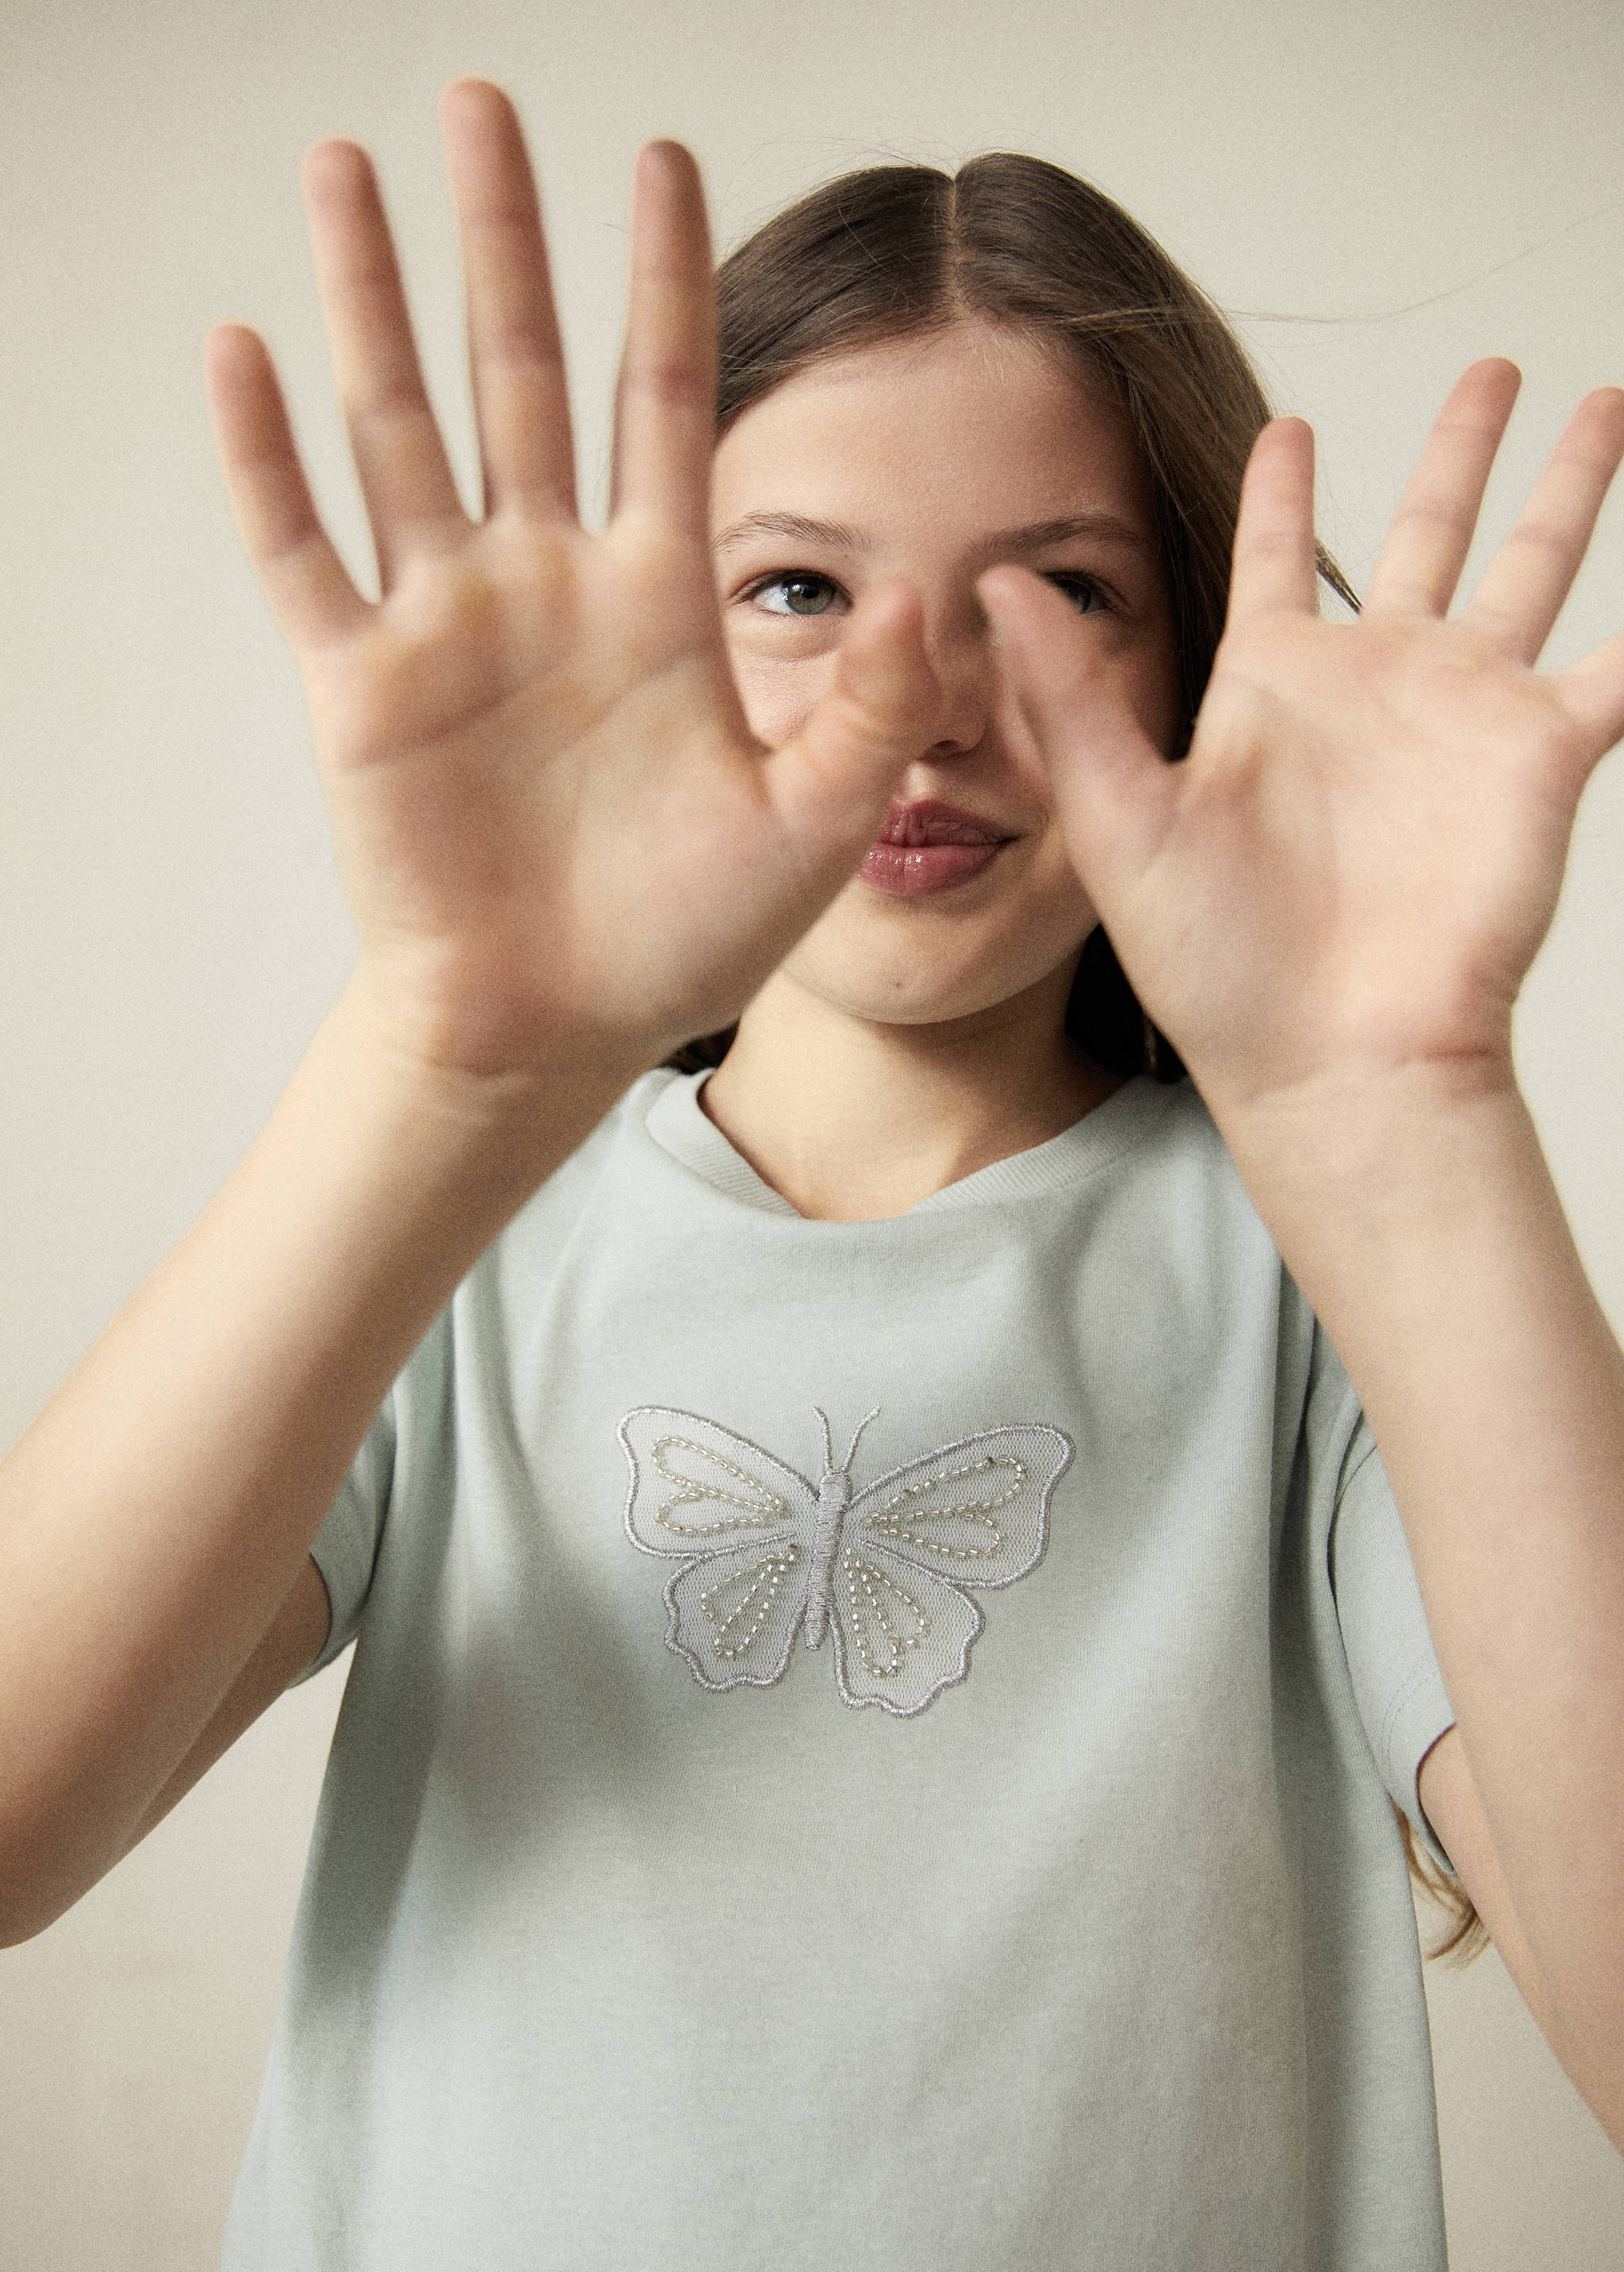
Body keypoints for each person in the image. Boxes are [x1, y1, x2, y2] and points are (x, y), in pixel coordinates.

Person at [2, 71, 1622, 2270]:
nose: (922, 703)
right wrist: (436, 1060)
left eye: (1059, 587)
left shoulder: (1326, 1284)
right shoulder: (466, 1243)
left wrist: (1411, 1115)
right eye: (792, 586)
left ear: (1201, 668)